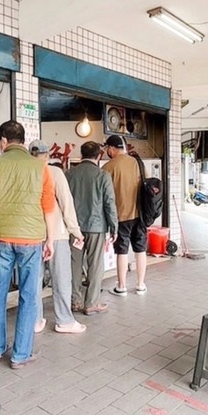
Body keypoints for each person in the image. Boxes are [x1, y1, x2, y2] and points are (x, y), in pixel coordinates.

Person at [0, 120, 58, 368]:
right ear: (23, 141)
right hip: (32, 239)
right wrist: (50, 240)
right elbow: (49, 209)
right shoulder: (41, 168)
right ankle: (20, 355)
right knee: (28, 296)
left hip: (1, 238)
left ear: (3, 141)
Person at [29, 142, 86, 334]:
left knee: (34, 280)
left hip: (32, 234)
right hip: (58, 234)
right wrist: (76, 231)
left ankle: (35, 321)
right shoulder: (54, 173)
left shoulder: (26, 173)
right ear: (47, 156)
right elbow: (66, 204)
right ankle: (64, 320)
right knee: (61, 278)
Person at [66, 140, 119, 315]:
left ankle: (74, 301)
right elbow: (110, 203)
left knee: (74, 264)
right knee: (95, 264)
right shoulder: (102, 176)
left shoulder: (69, 174)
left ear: (82, 155)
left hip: (74, 229)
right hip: (96, 227)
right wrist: (114, 227)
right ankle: (91, 303)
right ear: (99, 156)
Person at [103, 135, 146, 293]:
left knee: (121, 251)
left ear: (112, 148)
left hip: (120, 216)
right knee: (140, 250)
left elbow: (104, 194)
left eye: (107, 148)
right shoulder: (136, 162)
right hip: (139, 214)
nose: (107, 151)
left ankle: (121, 287)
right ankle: (140, 284)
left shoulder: (108, 167)